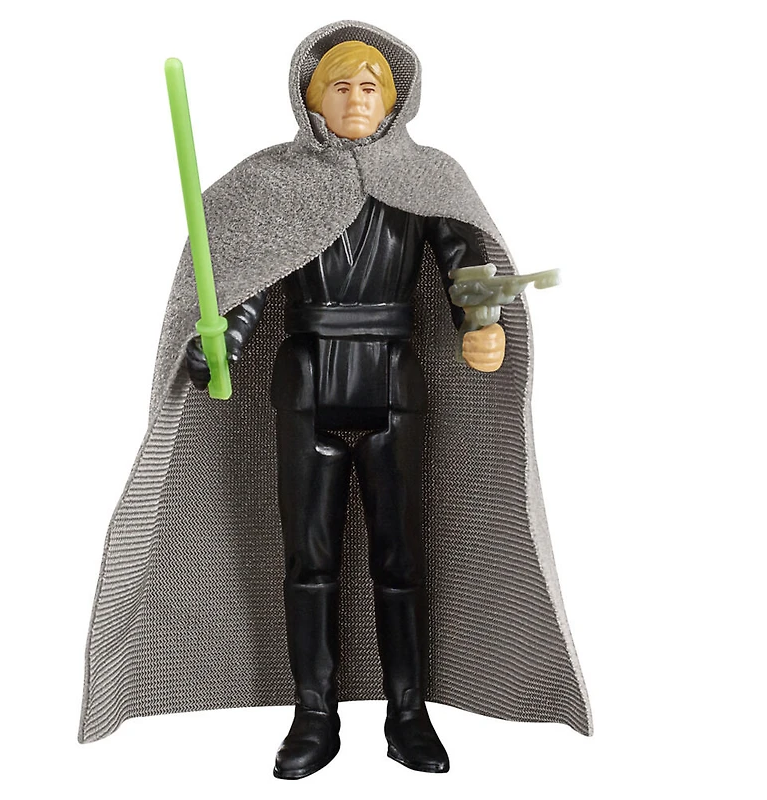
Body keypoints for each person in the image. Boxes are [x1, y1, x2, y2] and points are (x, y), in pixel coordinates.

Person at [80, 21, 591, 778]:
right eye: (341, 86)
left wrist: (481, 323)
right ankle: (313, 712)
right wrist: (220, 338)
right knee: (308, 561)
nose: (357, 100)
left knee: (402, 558)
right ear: (310, 98)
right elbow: (246, 275)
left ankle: (408, 712)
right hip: (307, 383)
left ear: (395, 99)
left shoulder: (429, 177)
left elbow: (465, 261)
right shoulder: (274, 182)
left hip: (394, 381)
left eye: (370, 87)